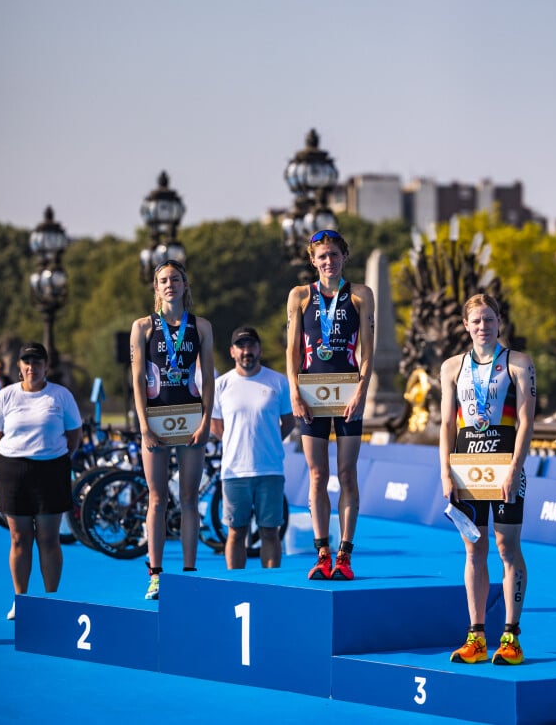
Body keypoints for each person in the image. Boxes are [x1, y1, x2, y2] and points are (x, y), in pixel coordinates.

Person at [439, 293, 536, 666]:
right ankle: (476, 637)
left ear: (499, 322)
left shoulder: (518, 363)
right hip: (466, 467)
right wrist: (445, 469)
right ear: (466, 325)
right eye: (476, 321)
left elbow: (527, 421)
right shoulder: (451, 368)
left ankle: (511, 636)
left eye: (489, 320)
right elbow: (447, 423)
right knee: (473, 549)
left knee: (506, 548)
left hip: (505, 467)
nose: (483, 327)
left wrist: (515, 467)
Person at [286, 229, 375, 581]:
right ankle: (322, 551)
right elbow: (293, 350)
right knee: (317, 474)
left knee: (347, 474)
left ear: (344, 257)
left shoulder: (360, 295)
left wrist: (362, 391)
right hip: (310, 394)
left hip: (348, 394)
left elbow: (366, 351)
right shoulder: (299, 296)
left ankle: (345, 554)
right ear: (313, 260)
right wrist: (293, 391)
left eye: (334, 255)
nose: (328, 261)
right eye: (322, 256)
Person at [130, 259, 215, 600]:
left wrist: (207, 420)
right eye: (163, 280)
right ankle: (156, 575)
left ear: (185, 285)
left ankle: (190, 573)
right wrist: (143, 426)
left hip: (191, 418)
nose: (170, 284)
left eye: (175, 279)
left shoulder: (201, 326)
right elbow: (136, 379)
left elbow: (208, 377)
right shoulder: (143, 326)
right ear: (156, 287)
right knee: (157, 498)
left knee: (189, 498)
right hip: (156, 420)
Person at [0, 342, 82, 620]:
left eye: (38, 362)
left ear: (46, 366)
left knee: (48, 538)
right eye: (27, 362)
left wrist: (52, 455)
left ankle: (52, 600)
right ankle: (21, 600)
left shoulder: (60, 396)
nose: (32, 367)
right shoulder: (5, 396)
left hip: (51, 472)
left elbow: (74, 435)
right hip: (14, 472)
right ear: (19, 367)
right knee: (19, 539)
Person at [210, 326, 295, 569]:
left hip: (270, 470)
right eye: (241, 346)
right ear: (232, 352)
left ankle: (271, 586)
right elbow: (215, 425)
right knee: (236, 533)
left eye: (251, 346)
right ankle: (235, 586)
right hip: (235, 472)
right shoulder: (221, 385)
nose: (246, 351)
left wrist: (268, 440)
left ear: (259, 349)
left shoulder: (278, 382)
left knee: (270, 533)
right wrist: (235, 442)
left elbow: (289, 421)